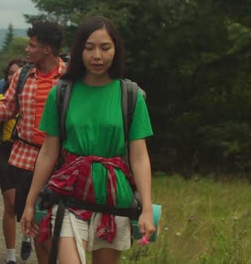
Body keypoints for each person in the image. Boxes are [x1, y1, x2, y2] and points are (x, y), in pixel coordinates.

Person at [20, 16, 156, 264]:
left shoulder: (131, 96)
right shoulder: (61, 93)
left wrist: (146, 208)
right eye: (89, 47)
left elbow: (139, 156)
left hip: (114, 200)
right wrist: (30, 202)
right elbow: (48, 152)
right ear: (78, 49)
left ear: (116, 50)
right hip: (69, 195)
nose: (97, 56)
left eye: (105, 48)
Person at [0, 20, 66, 264]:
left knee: (62, 231)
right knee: (38, 231)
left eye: (32, 45)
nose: (27, 50)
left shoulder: (70, 78)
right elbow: (7, 109)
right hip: (27, 163)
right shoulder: (22, 75)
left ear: (47, 49)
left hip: (63, 165)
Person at [0, 58, 26, 264]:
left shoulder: (33, 96)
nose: (13, 77)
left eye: (17, 73)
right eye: (10, 73)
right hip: (6, 151)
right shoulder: (1, 97)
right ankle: (11, 256)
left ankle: (27, 236)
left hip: (28, 152)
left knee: (28, 203)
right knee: (10, 204)